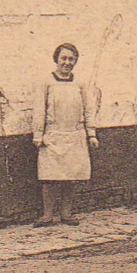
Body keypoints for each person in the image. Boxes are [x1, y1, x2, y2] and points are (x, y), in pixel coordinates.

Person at [33, 43, 98, 225]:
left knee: (71, 177)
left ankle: (66, 214)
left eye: (71, 59)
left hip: (75, 135)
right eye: (64, 58)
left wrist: (91, 134)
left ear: (75, 61)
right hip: (52, 136)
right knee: (49, 178)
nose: (67, 63)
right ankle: (47, 215)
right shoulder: (46, 82)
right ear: (56, 59)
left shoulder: (81, 83)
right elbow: (39, 109)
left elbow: (89, 109)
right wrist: (38, 135)